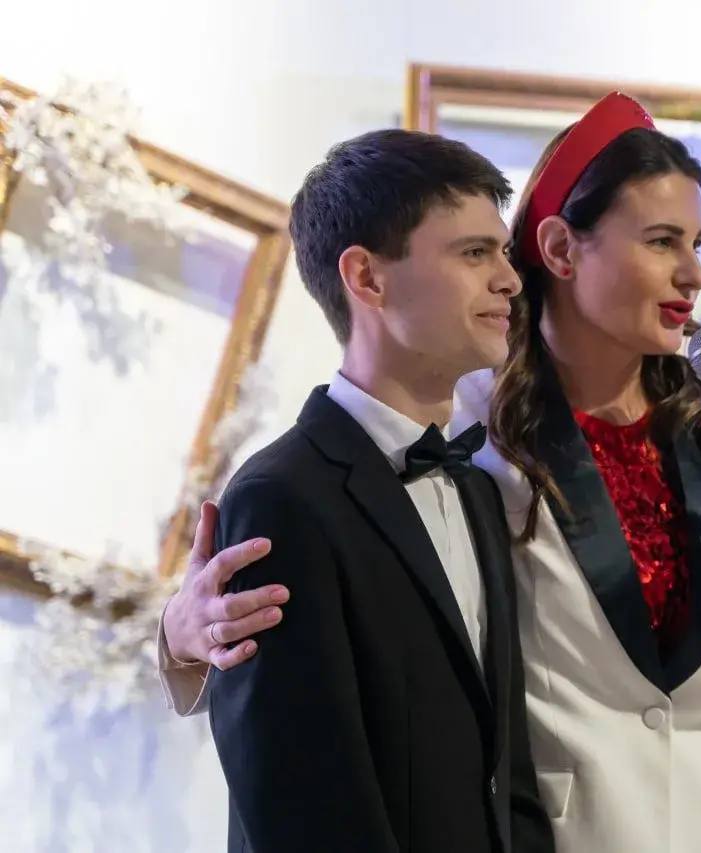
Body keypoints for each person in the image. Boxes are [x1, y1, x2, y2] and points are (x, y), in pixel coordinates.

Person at [160, 93, 701, 852]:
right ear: (561, 248)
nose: (693, 274)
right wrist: (179, 633)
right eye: (660, 240)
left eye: (698, 242)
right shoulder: (471, 420)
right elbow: (320, 576)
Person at [178, 128, 553, 852]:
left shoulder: (477, 488)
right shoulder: (281, 498)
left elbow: (509, 776)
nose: (509, 280)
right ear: (367, 278)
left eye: (504, 253)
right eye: (475, 253)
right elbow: (299, 805)